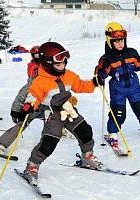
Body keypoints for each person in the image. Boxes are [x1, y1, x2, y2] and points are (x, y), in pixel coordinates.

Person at [20, 42, 101, 186]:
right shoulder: (40, 81)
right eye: (58, 64)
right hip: (53, 116)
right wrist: (29, 105)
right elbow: (33, 96)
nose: (62, 66)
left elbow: (80, 86)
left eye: (64, 63)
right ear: (47, 63)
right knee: (49, 143)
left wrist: (94, 82)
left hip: (70, 111)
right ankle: (32, 166)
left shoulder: (69, 75)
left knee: (85, 132)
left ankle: (87, 156)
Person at [94, 22, 140, 149]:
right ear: (109, 41)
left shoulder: (131, 52)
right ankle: (112, 133)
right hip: (118, 90)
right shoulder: (107, 58)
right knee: (118, 113)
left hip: (134, 87)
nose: (120, 44)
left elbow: (138, 65)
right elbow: (99, 74)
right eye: (116, 41)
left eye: (122, 40)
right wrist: (101, 74)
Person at [0, 46, 49, 156]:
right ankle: (0, 144)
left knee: (55, 118)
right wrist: (16, 110)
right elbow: (22, 94)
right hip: (33, 105)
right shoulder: (33, 80)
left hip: (47, 105)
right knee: (23, 123)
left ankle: (55, 134)